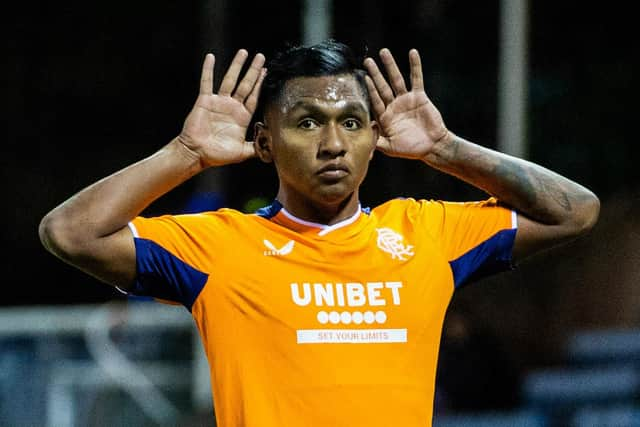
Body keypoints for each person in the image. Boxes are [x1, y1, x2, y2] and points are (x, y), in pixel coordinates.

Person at [39, 40, 600, 426]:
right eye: (308, 122)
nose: (333, 144)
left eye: (351, 123)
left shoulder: (425, 232)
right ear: (264, 143)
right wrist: (183, 155)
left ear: (373, 137)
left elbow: (574, 211)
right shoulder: (219, 246)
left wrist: (445, 149)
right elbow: (70, 233)